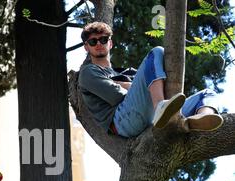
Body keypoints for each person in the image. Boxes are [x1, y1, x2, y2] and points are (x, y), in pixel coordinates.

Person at [79, 21, 224, 138]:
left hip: (151, 116)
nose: (99, 44)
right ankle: (160, 105)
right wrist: (134, 86)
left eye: (103, 39)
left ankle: (200, 119)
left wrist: (123, 83)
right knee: (157, 51)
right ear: (86, 47)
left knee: (207, 93)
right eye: (93, 42)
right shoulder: (89, 72)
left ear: (110, 43)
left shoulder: (125, 72)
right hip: (124, 120)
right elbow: (117, 96)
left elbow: (152, 88)